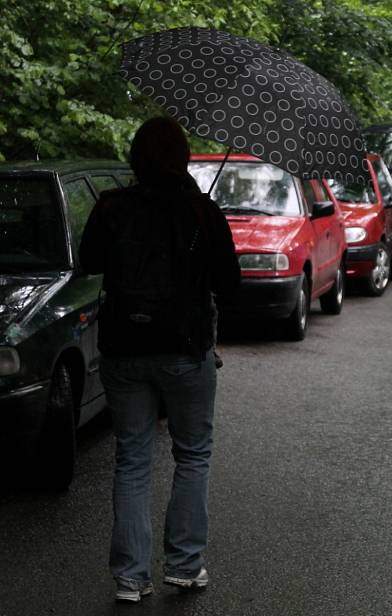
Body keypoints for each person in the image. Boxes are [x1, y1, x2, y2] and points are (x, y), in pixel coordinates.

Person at [79, 116, 240, 603]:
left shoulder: (111, 206)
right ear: (183, 158)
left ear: (136, 157)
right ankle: (184, 566)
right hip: (184, 350)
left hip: (124, 349)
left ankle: (130, 578)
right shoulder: (200, 211)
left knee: (131, 460)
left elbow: (90, 263)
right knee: (192, 455)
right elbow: (229, 283)